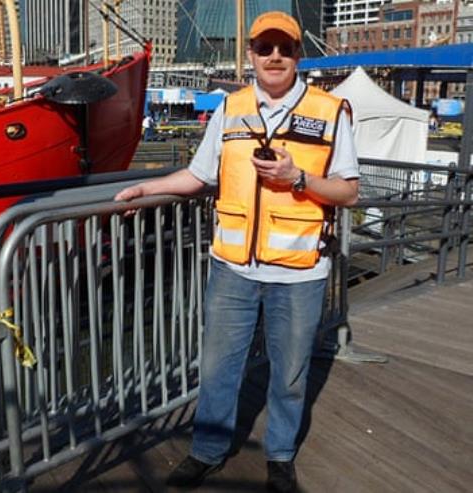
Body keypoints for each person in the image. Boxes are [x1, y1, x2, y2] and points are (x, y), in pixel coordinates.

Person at [116, 11, 359, 492]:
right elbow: (200, 175)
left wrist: (299, 179)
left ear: (296, 55)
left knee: (289, 374)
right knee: (217, 366)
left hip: (300, 269)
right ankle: (207, 451)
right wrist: (147, 187)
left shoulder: (331, 111)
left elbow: (348, 192)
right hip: (232, 267)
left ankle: (281, 457)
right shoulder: (231, 108)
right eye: (264, 47)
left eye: (284, 48)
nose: (274, 56)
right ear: (250, 54)